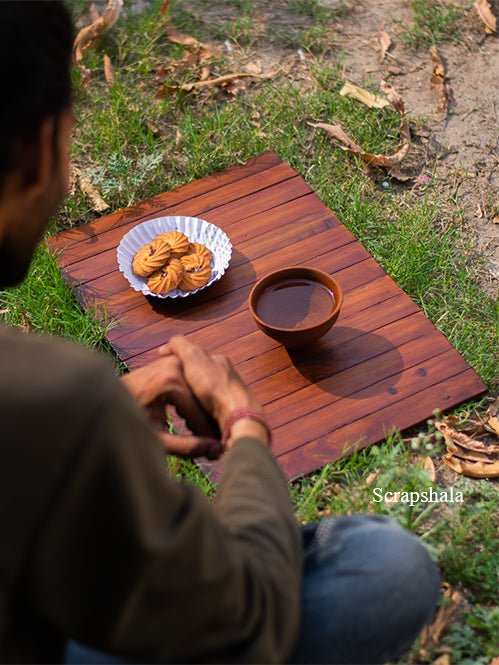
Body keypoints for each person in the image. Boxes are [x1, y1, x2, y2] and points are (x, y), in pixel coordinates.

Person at [0, 2, 440, 663]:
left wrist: (98, 422)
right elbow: (246, 622)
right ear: (40, 151)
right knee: (388, 564)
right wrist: (243, 427)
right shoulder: (50, 399)